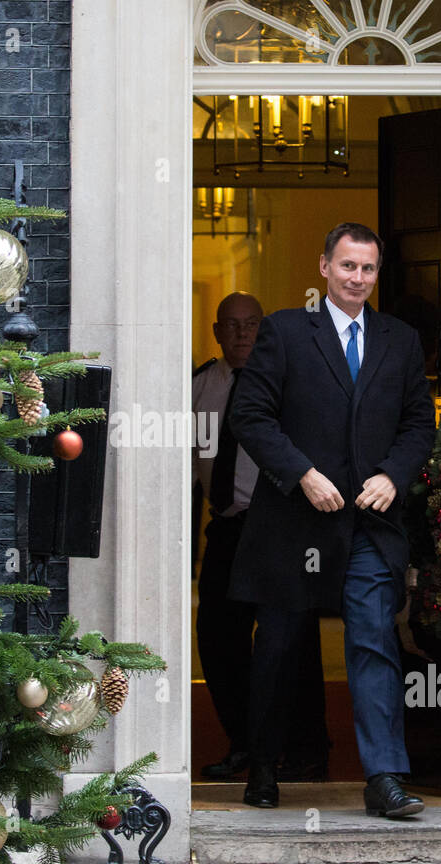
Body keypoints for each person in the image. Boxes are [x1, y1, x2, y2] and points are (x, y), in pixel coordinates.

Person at [227, 223, 436, 816]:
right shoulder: (287, 331)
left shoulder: (399, 339)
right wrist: (302, 473)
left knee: (373, 641)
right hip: (295, 523)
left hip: (368, 525)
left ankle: (384, 778)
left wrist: (394, 474)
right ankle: (264, 766)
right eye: (348, 267)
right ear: (324, 268)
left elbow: (420, 424)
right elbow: (251, 414)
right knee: (280, 649)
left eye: (368, 269)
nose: (358, 279)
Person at [193, 292, 330, 782]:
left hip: (280, 528)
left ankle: (306, 751)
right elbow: (187, 461)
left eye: (252, 324)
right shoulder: (200, 386)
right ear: (216, 332)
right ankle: (246, 746)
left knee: (291, 642)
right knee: (218, 638)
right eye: (231, 325)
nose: (242, 334)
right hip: (228, 527)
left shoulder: (287, 384)